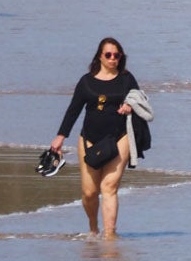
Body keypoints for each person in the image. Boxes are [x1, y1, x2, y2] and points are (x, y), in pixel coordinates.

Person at [47, 37, 143, 238]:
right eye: (108, 54)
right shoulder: (86, 82)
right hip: (89, 139)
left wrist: (130, 105)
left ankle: (110, 235)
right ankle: (93, 227)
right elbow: (73, 110)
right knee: (89, 192)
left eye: (117, 55)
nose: (112, 58)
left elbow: (139, 99)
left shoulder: (127, 78)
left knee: (109, 186)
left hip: (120, 137)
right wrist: (60, 136)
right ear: (99, 56)